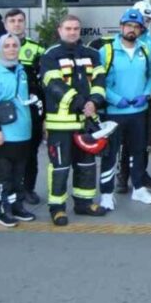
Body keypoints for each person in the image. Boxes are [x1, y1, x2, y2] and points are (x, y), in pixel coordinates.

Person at [39, 15, 109, 225]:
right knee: (60, 167)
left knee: (87, 165)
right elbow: (54, 85)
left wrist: (95, 101)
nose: (72, 32)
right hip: (60, 125)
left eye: (76, 29)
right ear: (60, 30)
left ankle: (84, 203)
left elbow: (99, 80)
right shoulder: (50, 55)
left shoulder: (92, 54)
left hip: (86, 122)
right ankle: (57, 208)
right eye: (68, 28)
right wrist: (81, 103)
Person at [0, 9, 46, 206]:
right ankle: (6, 195)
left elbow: (43, 82)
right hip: (4, 115)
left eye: (20, 20)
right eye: (12, 21)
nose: (17, 24)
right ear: (5, 24)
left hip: (30, 112)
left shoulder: (37, 49)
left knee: (30, 153)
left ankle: (27, 189)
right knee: (5, 161)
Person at [97, 9, 151, 210]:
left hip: (139, 111)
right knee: (110, 154)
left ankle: (138, 188)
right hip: (115, 112)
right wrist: (115, 99)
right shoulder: (107, 51)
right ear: (121, 26)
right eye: (128, 26)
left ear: (141, 30)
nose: (132, 30)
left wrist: (146, 94)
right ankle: (106, 193)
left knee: (138, 151)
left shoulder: (145, 50)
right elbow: (98, 81)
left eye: (136, 27)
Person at [0, 33, 38, 227]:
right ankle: (2, 208)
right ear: (0, 49)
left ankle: (17, 206)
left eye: (14, 45)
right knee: (3, 174)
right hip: (3, 134)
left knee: (18, 174)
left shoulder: (23, 71)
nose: (11, 49)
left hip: (23, 131)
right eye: (6, 46)